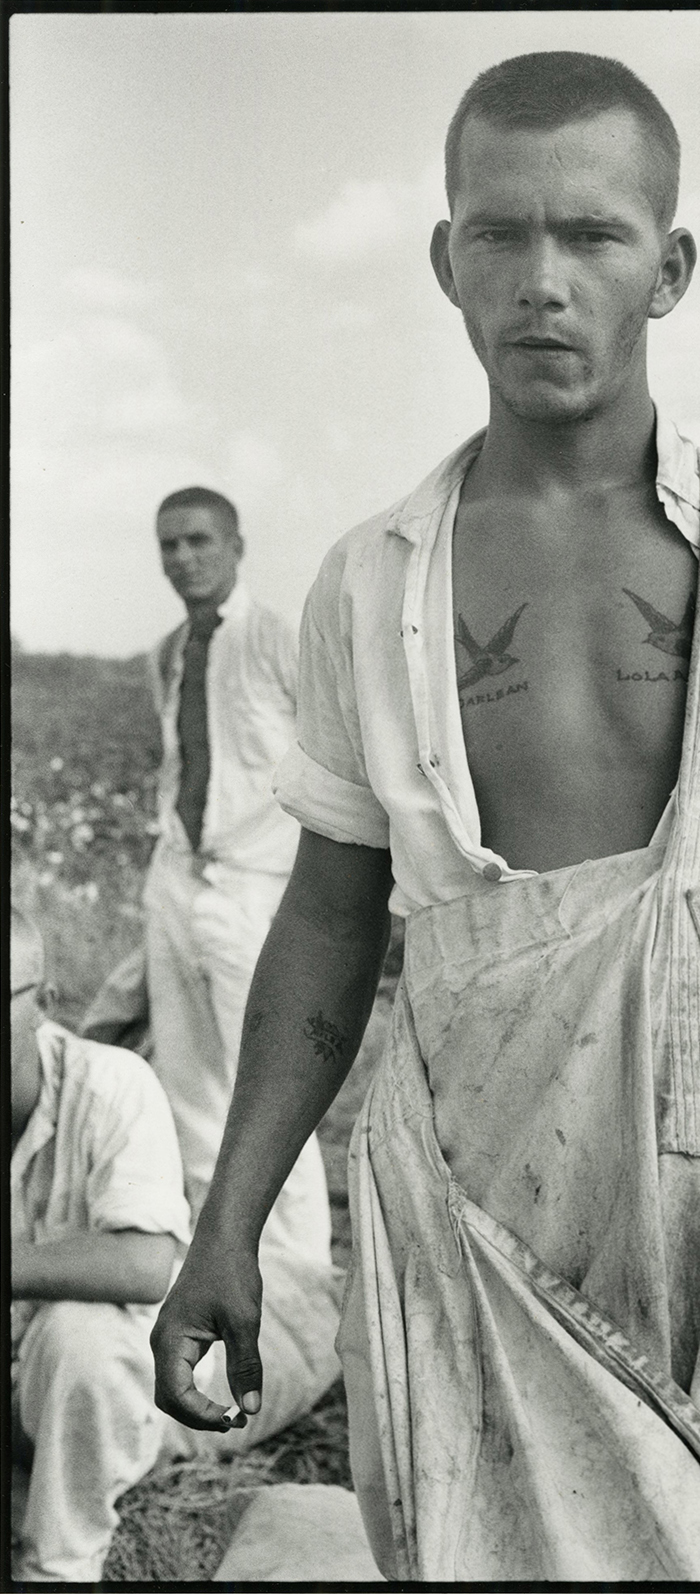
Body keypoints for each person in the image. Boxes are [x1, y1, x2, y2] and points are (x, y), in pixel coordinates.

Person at [152, 53, 700, 1582]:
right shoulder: (371, 582)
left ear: (669, 268)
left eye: (589, 237)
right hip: (463, 1270)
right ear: (442, 259)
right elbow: (329, 930)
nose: (541, 282)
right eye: (497, 235)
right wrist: (228, 1228)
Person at [139, 486, 341, 1445]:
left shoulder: (274, 633)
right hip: (179, 878)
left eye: (200, 541)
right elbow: (181, 760)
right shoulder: (172, 652)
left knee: (265, 1093)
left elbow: (327, 744)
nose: (185, 558)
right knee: (188, 1091)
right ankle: (202, 1293)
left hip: (258, 885)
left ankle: (299, 1299)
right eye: (170, 545)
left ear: (235, 545)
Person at [10, 910, 190, 1581]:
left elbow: (145, 1266)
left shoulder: (112, 1083)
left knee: (80, 1338)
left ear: (43, 1004)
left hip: (120, 1392)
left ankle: (58, 1567)